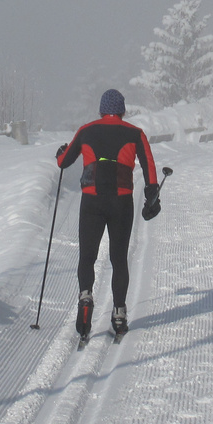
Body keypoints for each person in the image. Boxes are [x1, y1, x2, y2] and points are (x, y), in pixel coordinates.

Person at [55, 88, 160, 341]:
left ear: (101, 110)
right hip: (121, 201)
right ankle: (119, 313)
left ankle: (85, 297)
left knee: (88, 255)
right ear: (122, 111)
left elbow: (64, 162)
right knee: (118, 258)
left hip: (92, 200)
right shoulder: (135, 134)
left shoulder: (86, 130)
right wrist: (151, 196)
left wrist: (60, 153)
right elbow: (149, 165)